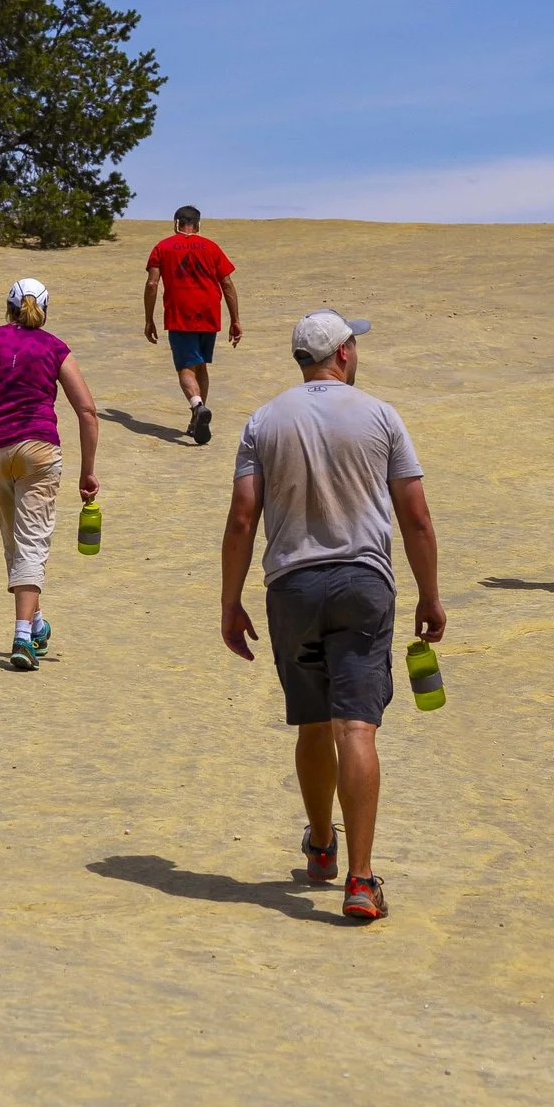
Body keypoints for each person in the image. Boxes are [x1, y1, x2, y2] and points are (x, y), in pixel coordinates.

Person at [220, 309, 446, 923]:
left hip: (290, 587)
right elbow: (416, 517)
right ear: (343, 353)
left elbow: (243, 517)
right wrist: (429, 594)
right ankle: (360, 880)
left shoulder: (263, 421)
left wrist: (229, 601)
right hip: (362, 584)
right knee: (357, 729)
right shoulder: (379, 415)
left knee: (313, 724)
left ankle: (322, 847)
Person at [0, 277, 102, 670]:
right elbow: (88, 411)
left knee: (16, 539)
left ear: (8, 306)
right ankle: (23, 637)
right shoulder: (55, 347)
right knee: (31, 542)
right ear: (45, 309)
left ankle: (39, 624)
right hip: (38, 450)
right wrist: (88, 471)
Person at [144, 205, 242, 446]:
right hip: (210, 313)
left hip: (181, 314)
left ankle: (197, 406)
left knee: (186, 368)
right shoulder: (212, 247)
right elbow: (227, 284)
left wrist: (149, 319)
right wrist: (235, 319)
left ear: (176, 223)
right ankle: (195, 421)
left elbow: (152, 284)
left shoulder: (162, 247)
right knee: (200, 366)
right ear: (198, 225)